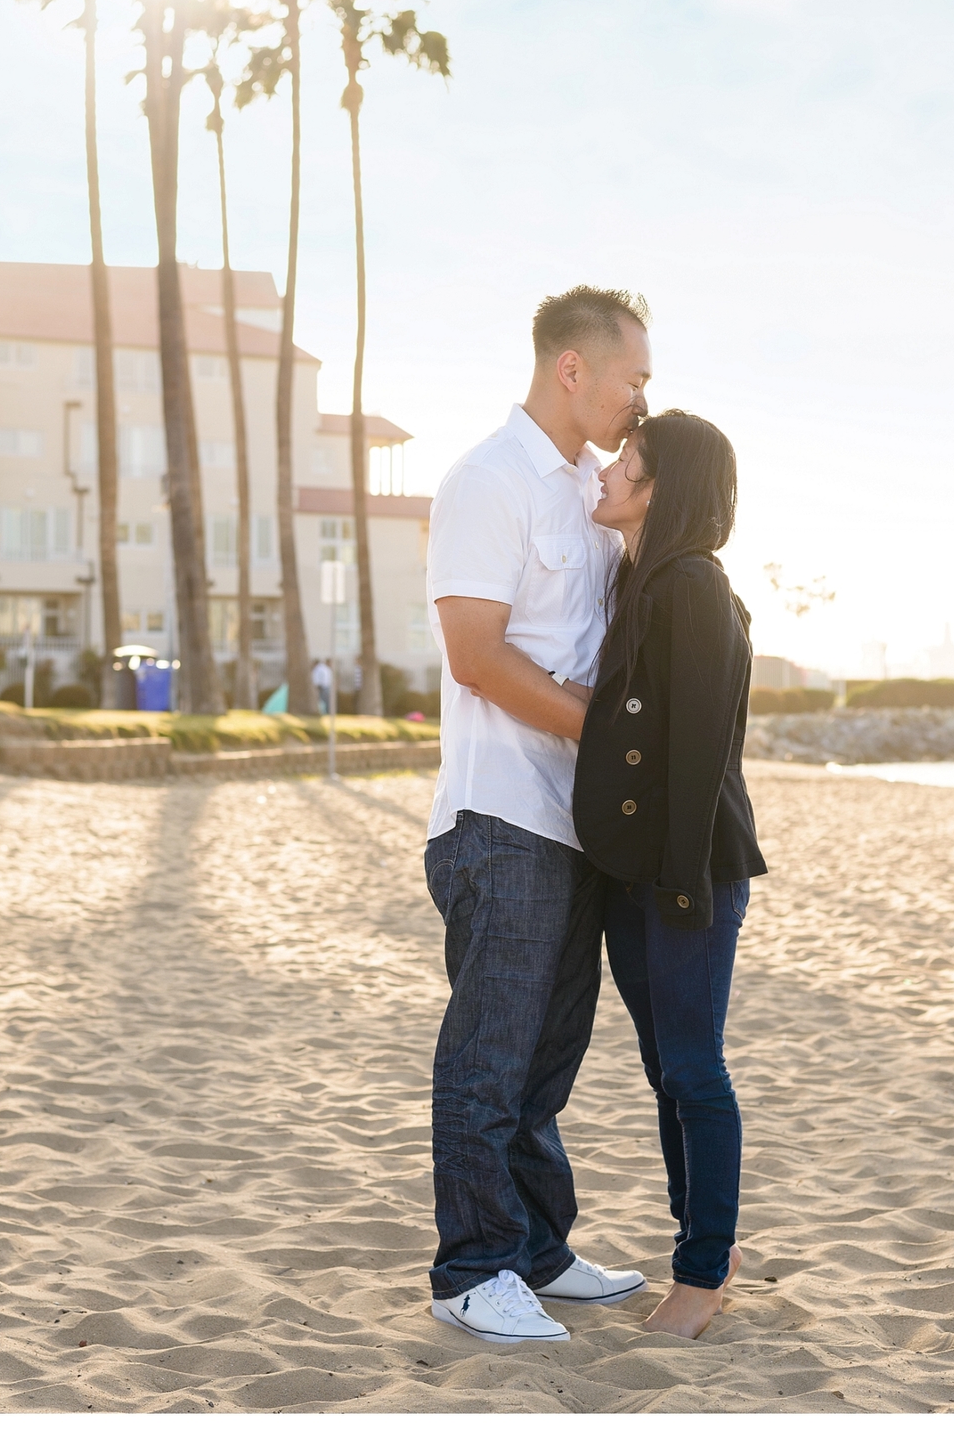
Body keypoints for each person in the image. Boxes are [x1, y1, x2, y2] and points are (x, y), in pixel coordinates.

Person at [421, 286, 652, 1346]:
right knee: (490, 1053)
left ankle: (538, 1249)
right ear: (572, 367)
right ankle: (472, 1267)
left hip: (574, 824)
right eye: (632, 376)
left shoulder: (593, 498)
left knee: (547, 1057)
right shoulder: (487, 479)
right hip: (499, 813)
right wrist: (604, 734)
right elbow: (476, 655)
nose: (640, 396)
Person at [572, 411, 766, 1340]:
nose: (607, 471)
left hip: (687, 870)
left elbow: (696, 754)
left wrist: (681, 887)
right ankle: (706, 1247)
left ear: (662, 490)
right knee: (667, 1072)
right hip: (638, 871)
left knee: (694, 1070)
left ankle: (700, 1277)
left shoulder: (693, 587)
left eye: (627, 463)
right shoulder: (640, 580)